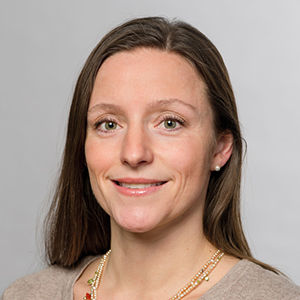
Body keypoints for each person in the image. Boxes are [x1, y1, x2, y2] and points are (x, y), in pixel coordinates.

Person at [2, 16, 300, 300]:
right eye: (109, 124)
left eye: (170, 122)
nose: (134, 153)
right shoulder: (26, 295)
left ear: (220, 148)